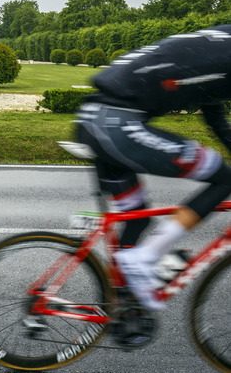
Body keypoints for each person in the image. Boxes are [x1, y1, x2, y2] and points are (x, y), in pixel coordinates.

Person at [75, 25, 231, 312]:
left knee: (137, 217)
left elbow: (214, 111)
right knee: (224, 179)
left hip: (94, 120)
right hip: (118, 125)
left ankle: (124, 306)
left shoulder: (218, 42)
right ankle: (146, 257)